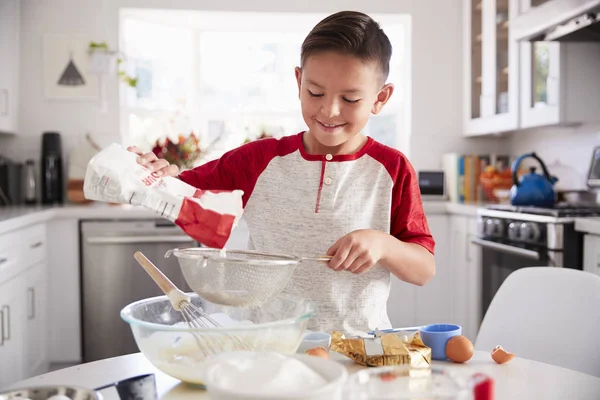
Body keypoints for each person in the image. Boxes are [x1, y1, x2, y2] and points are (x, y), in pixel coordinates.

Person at [129, 10, 436, 336]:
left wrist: (384, 245)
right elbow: (176, 190)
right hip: (269, 347)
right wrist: (156, 171)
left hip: (359, 350)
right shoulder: (258, 159)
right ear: (298, 82)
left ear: (380, 98)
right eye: (315, 93)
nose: (329, 111)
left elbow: (423, 270)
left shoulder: (391, 169)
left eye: (350, 98)